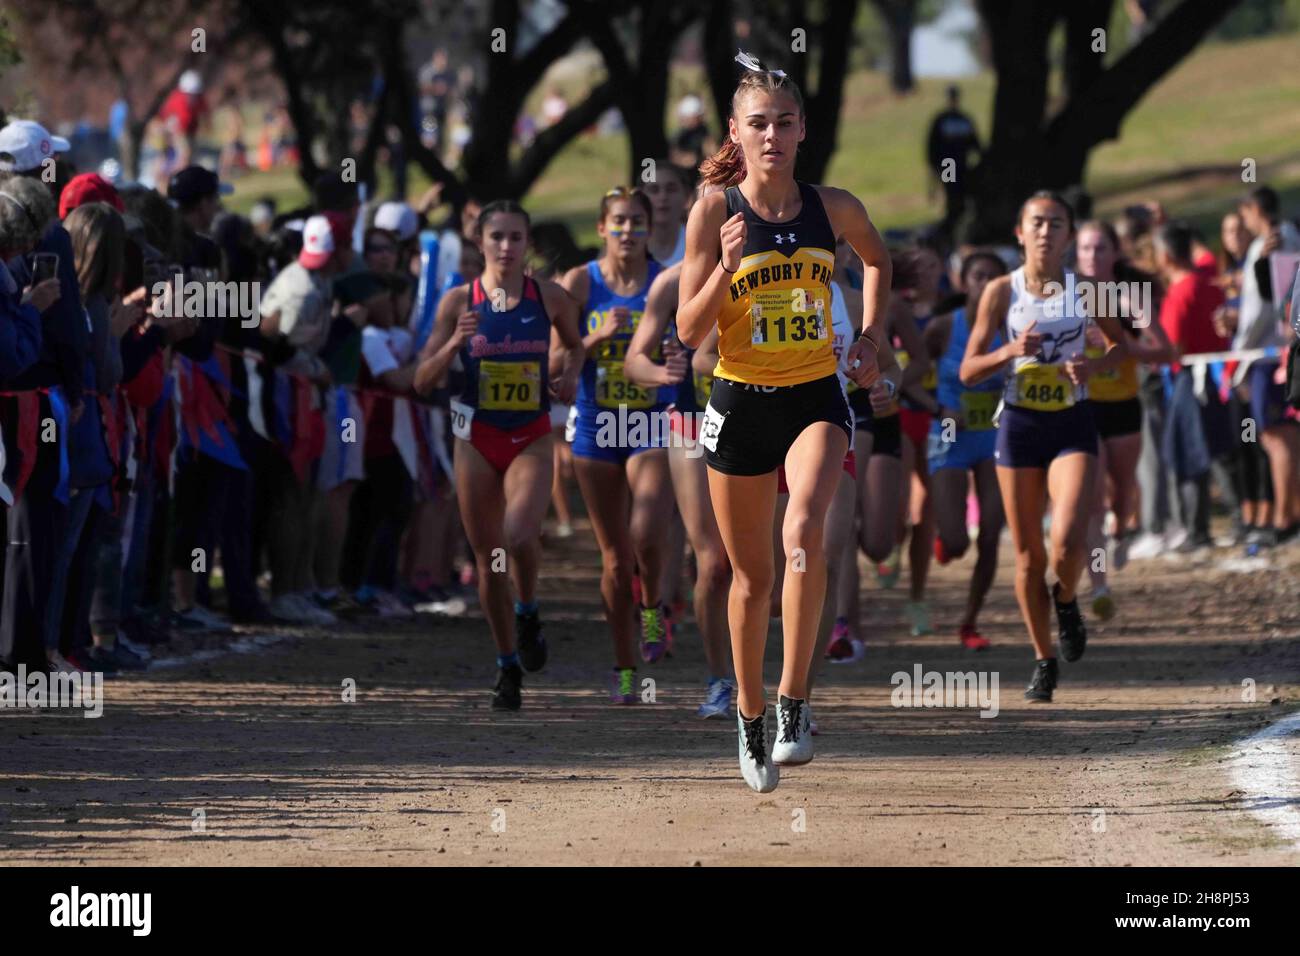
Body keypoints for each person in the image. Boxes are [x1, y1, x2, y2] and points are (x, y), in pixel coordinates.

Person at [677, 53, 896, 792]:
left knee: (804, 530)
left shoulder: (830, 207)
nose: (772, 134)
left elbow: (877, 261)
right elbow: (685, 329)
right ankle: (747, 712)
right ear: (735, 133)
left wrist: (867, 340)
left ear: (803, 130)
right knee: (750, 578)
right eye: (758, 123)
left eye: (785, 122)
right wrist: (724, 271)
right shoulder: (714, 209)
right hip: (739, 401)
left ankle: (794, 703)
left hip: (814, 397)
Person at [960, 191, 1131, 704]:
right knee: (1031, 558)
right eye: (1037, 222)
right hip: (1018, 425)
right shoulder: (999, 292)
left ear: (1069, 235)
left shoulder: (1090, 291)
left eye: (1057, 224)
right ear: (1019, 232)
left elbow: (1122, 349)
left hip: (1072, 422)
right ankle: (1042, 659)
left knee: (1069, 542)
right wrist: (1009, 351)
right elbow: (968, 370)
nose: (1045, 232)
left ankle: (1067, 598)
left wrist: (1093, 365)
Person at [414, 200, 581, 710]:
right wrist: (451, 347)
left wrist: (568, 376)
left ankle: (527, 608)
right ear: (480, 243)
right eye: (497, 238)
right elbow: (422, 380)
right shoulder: (457, 302)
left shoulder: (548, 297)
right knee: (488, 562)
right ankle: (507, 664)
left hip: (529, 435)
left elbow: (574, 347)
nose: (506, 248)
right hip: (475, 437)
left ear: (527, 243)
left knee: (520, 533)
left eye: (515, 237)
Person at [559, 187, 675, 703]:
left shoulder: (666, 281)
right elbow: (552, 365)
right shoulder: (580, 283)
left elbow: (695, 341)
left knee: (647, 532)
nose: (628, 231)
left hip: (651, 423)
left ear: (650, 229)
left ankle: (652, 607)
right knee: (613, 559)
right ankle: (624, 667)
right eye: (618, 222)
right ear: (602, 228)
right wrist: (593, 338)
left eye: (637, 222)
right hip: (596, 428)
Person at [625, 258, 735, 717]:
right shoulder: (672, 281)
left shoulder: (769, 259)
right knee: (712, 562)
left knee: (767, 569)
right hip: (691, 423)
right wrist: (664, 375)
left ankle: (785, 689)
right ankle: (720, 680)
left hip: (760, 421)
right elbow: (635, 360)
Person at [1074, 220, 1173, 610]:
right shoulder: (1067, 295)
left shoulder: (1129, 295)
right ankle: (1099, 586)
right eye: (1085, 248)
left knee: (1122, 487)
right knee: (1093, 498)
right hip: (1083, 405)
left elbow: (1166, 352)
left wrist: (1123, 344)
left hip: (1123, 404)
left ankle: (1122, 531)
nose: (1092, 256)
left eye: (1100, 248)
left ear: (1115, 253)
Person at [923, 251, 1007, 649]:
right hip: (951, 430)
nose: (985, 283)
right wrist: (938, 407)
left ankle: (970, 622)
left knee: (990, 533)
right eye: (978, 276)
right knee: (957, 541)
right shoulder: (943, 327)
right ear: (963, 281)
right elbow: (909, 376)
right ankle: (946, 540)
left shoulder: (1013, 330)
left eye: (993, 277)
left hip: (993, 433)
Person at [925, 86, 981, 237]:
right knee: (952, 195)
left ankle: (957, 225)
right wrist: (934, 166)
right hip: (948, 164)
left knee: (961, 197)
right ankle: (950, 227)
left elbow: (975, 144)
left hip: (962, 165)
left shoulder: (964, 119)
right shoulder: (941, 120)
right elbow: (932, 145)